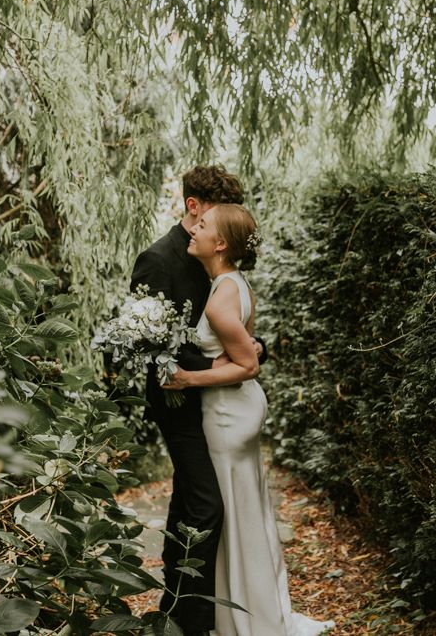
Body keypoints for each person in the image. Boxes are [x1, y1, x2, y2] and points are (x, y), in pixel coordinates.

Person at [163, 203, 335, 636]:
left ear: (220, 243)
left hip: (227, 412)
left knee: (233, 514)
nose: (193, 230)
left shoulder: (221, 297)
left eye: (201, 226)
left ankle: (247, 616)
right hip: (236, 407)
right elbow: (250, 347)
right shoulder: (232, 283)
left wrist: (188, 378)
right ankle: (249, 608)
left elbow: (248, 364)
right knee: (244, 509)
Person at [130, 166, 264, 635]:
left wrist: (252, 348)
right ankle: (194, 615)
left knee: (191, 501)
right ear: (194, 207)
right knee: (205, 506)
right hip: (180, 406)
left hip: (214, 401)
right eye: (214, 214)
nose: (220, 223)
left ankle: (180, 606)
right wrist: (210, 371)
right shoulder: (158, 260)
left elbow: (234, 326)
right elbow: (154, 346)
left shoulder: (217, 258)